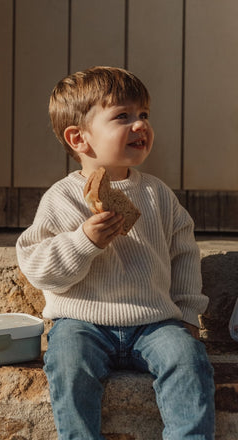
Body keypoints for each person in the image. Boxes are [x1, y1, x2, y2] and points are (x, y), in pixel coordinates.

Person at [16, 66, 215, 440]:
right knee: (68, 364)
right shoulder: (61, 198)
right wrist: (84, 242)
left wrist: (187, 313)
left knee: (187, 359)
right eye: (123, 116)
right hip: (81, 322)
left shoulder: (157, 194)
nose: (140, 125)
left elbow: (184, 252)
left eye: (144, 115)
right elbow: (38, 268)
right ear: (78, 138)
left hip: (154, 321)